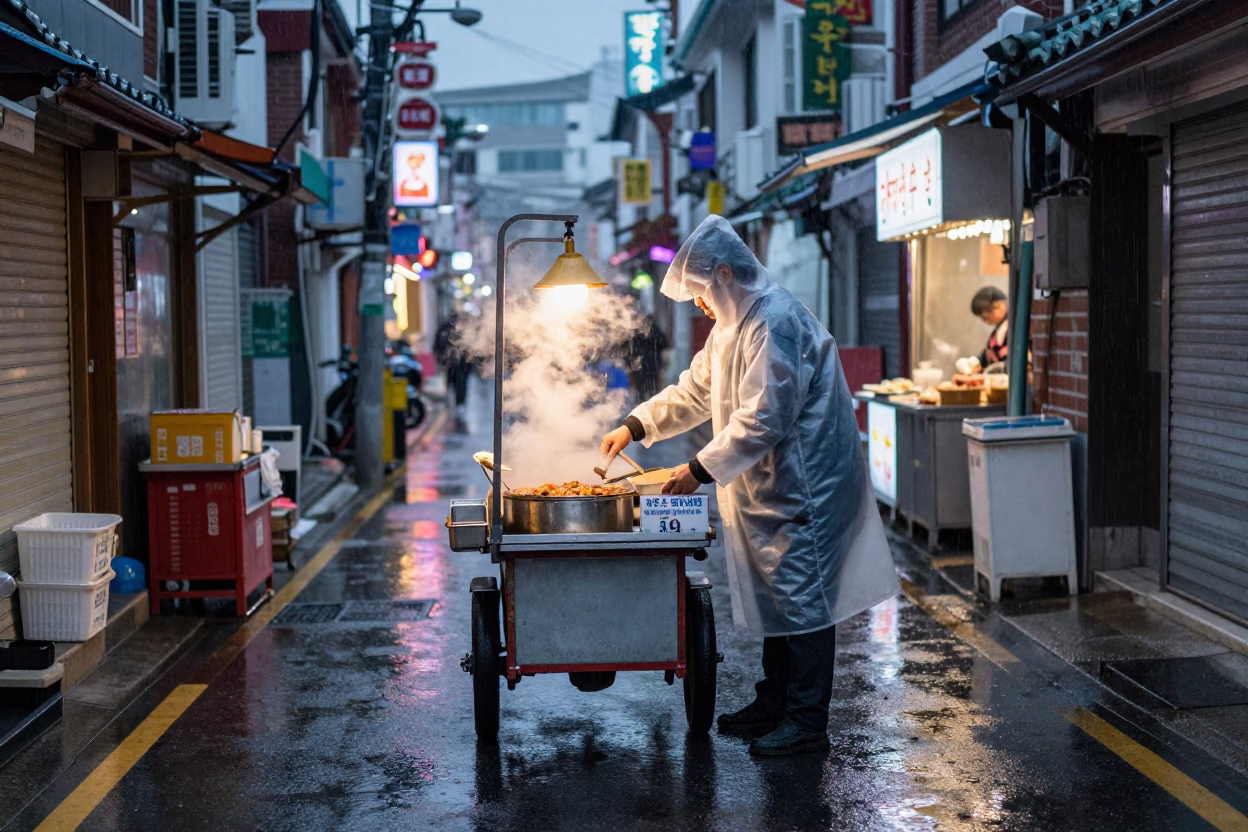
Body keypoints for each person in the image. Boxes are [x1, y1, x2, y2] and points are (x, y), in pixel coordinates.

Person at [600, 216, 899, 756]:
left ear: (724, 274)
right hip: (768, 488)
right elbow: (694, 392)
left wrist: (696, 470)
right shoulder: (731, 327)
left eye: (700, 292)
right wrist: (635, 425)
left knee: (803, 599)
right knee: (778, 594)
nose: (698, 305)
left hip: (804, 489)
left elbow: (765, 417)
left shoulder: (776, 322)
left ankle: (806, 720)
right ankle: (773, 701)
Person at [434, 313, 472, 409]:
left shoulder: (446, 328)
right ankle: (458, 402)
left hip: (457, 363)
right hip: (455, 363)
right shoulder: (458, 329)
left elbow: (437, 345)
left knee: (455, 383)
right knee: (457, 383)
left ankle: (457, 402)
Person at [628, 315, 669, 401]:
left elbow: (632, 349)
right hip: (654, 363)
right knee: (653, 390)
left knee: (641, 390)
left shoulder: (638, 333)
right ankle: (652, 404)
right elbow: (664, 346)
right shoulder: (657, 333)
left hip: (641, 364)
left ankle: (641, 403)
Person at [971, 286, 1010, 369]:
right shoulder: (998, 331)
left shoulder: (1013, 328)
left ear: (999, 305)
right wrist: (973, 362)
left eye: (985, 316)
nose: (985, 320)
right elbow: (986, 355)